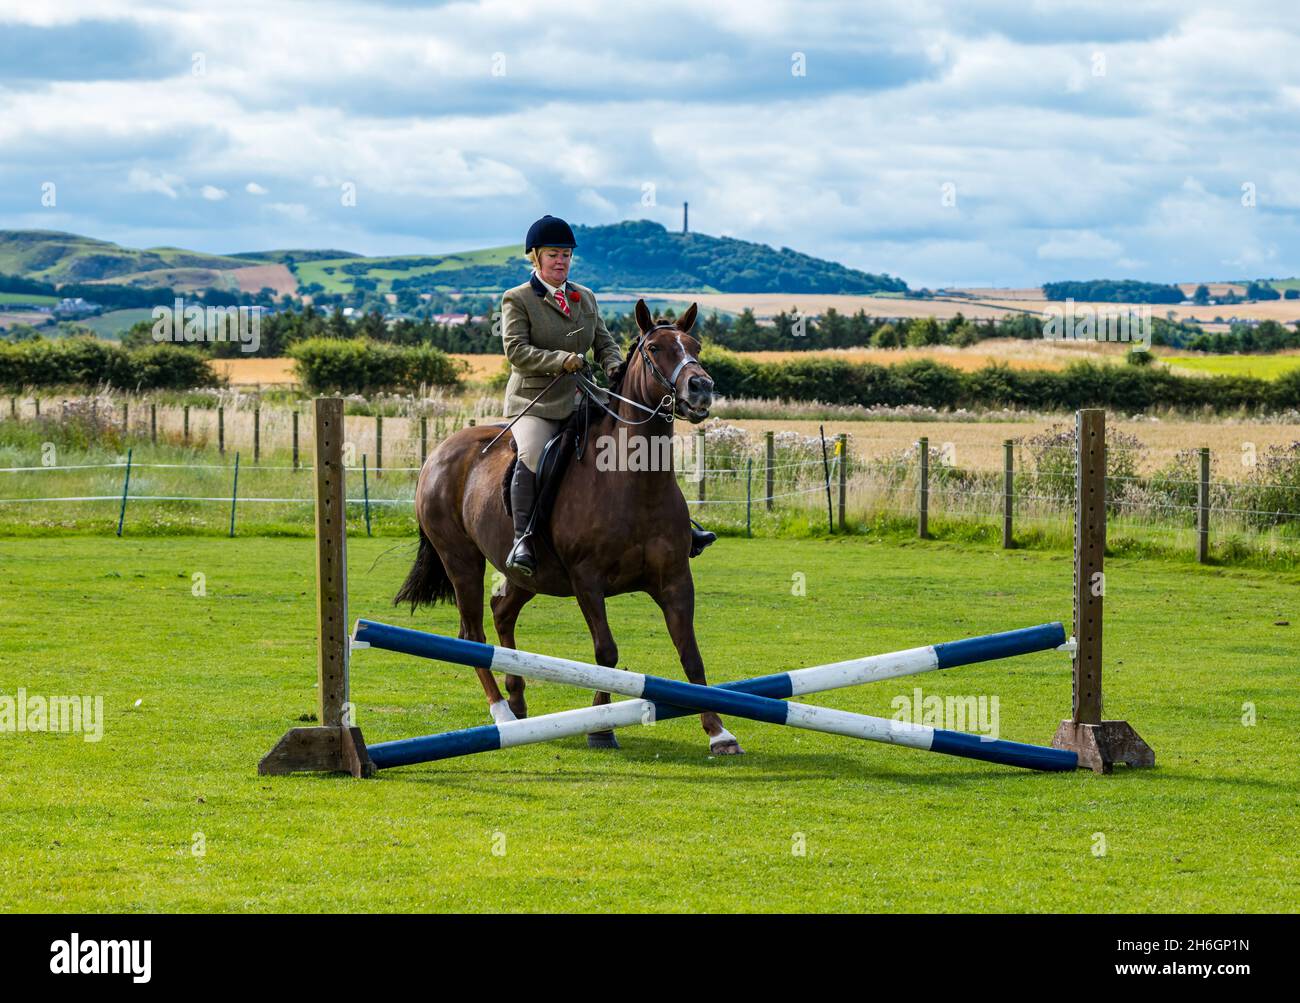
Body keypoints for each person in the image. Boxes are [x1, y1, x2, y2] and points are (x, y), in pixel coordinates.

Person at [500, 214, 715, 575]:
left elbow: (604, 343)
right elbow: (516, 351)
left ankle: (677, 526)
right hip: (536, 402)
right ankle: (524, 539)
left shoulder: (585, 297)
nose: (561, 261)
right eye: (553, 254)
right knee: (534, 454)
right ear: (535, 257)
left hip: (584, 397)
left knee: (635, 445)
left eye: (566, 254)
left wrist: (616, 366)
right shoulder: (518, 299)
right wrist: (561, 360)